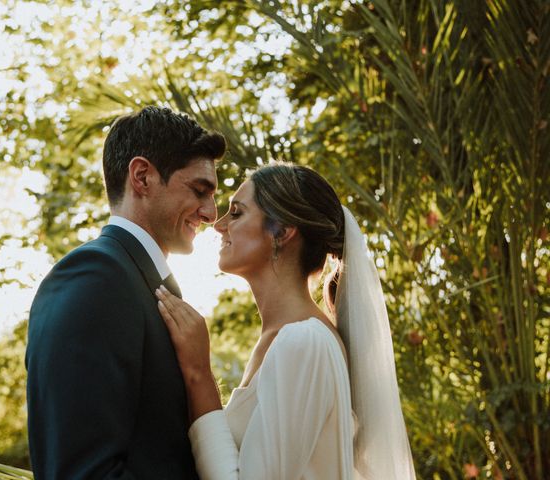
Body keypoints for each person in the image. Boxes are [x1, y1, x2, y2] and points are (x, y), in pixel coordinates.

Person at [155, 163, 416, 479]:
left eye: (236, 213)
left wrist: (199, 375)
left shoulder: (304, 343)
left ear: (282, 231)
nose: (219, 225)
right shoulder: (284, 340)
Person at [26, 106, 226, 479]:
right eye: (199, 190)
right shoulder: (93, 279)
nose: (212, 212)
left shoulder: (140, 281)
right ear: (142, 177)